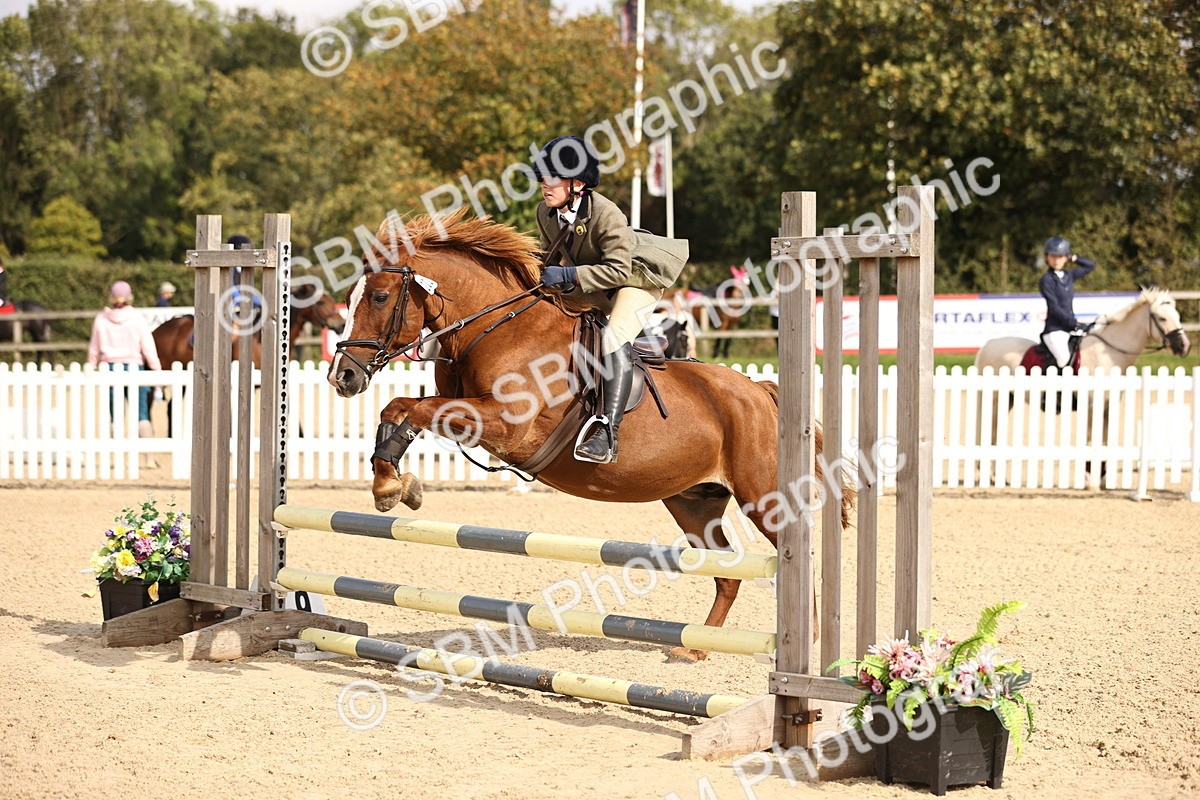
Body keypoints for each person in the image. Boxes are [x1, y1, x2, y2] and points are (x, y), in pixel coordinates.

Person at [533, 136, 679, 464]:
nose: (545, 184)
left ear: (578, 184)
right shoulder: (545, 212)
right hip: (597, 282)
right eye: (543, 176)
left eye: (553, 177)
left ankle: (607, 430)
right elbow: (548, 257)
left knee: (614, 336)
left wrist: (569, 277)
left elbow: (617, 270)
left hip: (636, 280)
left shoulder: (605, 214)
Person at [87, 281, 162, 445]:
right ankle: (148, 457)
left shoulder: (101, 318)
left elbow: (94, 348)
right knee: (142, 413)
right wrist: (157, 371)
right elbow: (148, 348)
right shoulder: (137, 317)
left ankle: (117, 453)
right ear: (130, 297)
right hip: (135, 368)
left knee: (116, 414)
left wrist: (91, 367)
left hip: (111, 369)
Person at [1039, 236, 1097, 369]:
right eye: (1052, 256)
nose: (1056, 260)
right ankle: (1056, 390)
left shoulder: (1068, 276)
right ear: (1047, 257)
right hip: (1055, 330)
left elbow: (1090, 266)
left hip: (1069, 328)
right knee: (1064, 359)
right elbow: (1054, 307)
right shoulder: (1046, 280)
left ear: (1065, 258)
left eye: (1060, 256)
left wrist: (1072, 257)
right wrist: (1074, 323)